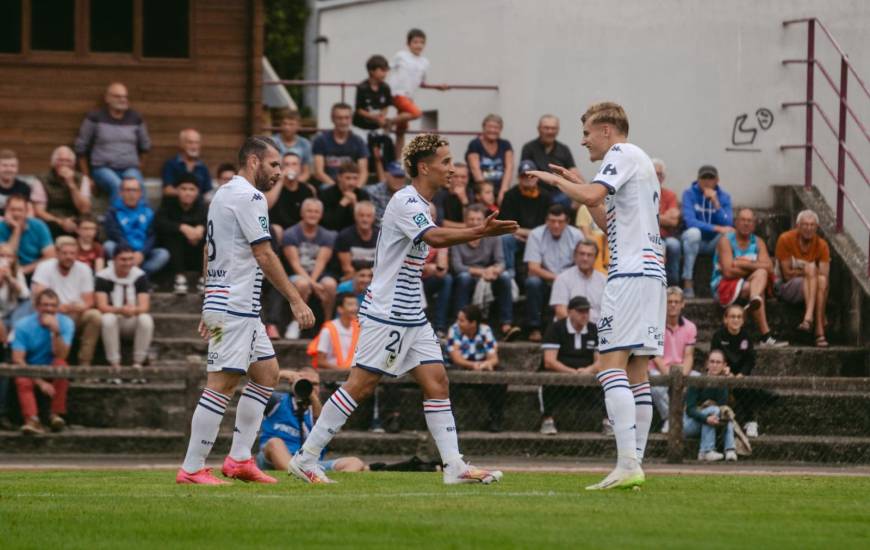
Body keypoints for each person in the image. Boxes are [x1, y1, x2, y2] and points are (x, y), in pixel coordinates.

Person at [288, 133, 517, 485]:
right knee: (360, 386)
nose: (452, 168)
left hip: (412, 312)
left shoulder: (424, 205)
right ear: (424, 167)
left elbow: (433, 235)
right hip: (388, 311)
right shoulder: (405, 201)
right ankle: (305, 458)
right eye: (445, 161)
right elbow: (434, 238)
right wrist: (479, 231)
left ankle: (454, 466)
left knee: (437, 383)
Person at [528, 102, 666, 489]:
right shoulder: (638, 163)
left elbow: (592, 191)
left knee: (609, 367)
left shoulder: (621, 152)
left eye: (588, 131)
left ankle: (626, 462)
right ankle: (635, 463)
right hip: (651, 274)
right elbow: (607, 218)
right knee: (637, 372)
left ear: (607, 130)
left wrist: (558, 182)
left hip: (630, 275)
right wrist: (580, 185)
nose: (583, 139)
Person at [177, 136, 315, 485]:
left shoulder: (222, 193)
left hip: (232, 304)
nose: (278, 173)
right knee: (221, 384)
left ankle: (239, 460)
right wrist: (296, 299)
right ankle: (192, 468)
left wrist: (210, 301)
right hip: (235, 304)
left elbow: (210, 251)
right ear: (253, 161)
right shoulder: (250, 197)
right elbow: (264, 253)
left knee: (267, 373)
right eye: (273, 165)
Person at [257, 369, 366, 474]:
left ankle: (329, 487)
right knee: (274, 442)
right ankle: (296, 474)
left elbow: (323, 425)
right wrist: (281, 374)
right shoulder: (277, 400)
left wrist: (312, 396)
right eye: (305, 383)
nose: (310, 387)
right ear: (293, 384)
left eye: (315, 384)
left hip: (307, 463)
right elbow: (249, 394)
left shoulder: (318, 409)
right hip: (272, 458)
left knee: (354, 462)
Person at [711, 208, 786, 347]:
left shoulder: (758, 242)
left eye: (749, 221)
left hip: (751, 283)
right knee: (758, 284)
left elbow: (769, 268)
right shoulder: (726, 241)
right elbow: (727, 272)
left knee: (762, 275)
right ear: (736, 222)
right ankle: (765, 335)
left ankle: (754, 300)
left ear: (754, 224)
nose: (746, 224)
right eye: (743, 220)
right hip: (724, 285)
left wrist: (741, 263)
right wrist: (755, 266)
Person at [11, 289, 75, 435]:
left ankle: (55, 415)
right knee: (22, 378)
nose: (49, 309)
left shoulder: (66, 323)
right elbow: (18, 359)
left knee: (62, 366)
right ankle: (32, 420)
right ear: (37, 307)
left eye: (53, 305)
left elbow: (62, 355)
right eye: (45, 305)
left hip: (51, 366)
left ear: (58, 307)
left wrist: (55, 332)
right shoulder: (23, 325)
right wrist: (40, 382)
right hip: (29, 367)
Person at [31, 236, 101, 367]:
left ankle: (84, 363)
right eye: (65, 253)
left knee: (95, 316)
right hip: (51, 312)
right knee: (50, 317)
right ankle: (47, 361)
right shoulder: (44, 267)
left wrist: (78, 307)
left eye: (72, 253)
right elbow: (39, 296)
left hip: (75, 313)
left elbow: (89, 301)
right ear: (57, 253)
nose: (69, 257)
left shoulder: (84, 269)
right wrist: (59, 308)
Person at [74, 82, 150, 201]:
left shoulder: (136, 118)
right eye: (118, 96)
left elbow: (145, 147)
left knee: (138, 186)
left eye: (125, 97)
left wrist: (139, 169)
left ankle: (143, 218)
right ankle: (117, 218)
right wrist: (87, 177)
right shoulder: (94, 118)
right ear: (107, 98)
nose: (122, 100)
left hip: (130, 168)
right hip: (102, 169)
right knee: (118, 186)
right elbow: (80, 148)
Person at [451, 204, 518, 340]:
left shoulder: (493, 236)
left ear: (484, 221)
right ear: (465, 221)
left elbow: (501, 262)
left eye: (478, 219)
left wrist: (494, 271)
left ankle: (506, 324)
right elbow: (457, 266)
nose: (475, 222)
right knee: (464, 278)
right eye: (471, 219)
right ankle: (460, 322)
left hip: (488, 275)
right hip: (469, 274)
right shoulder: (457, 237)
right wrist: (482, 272)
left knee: (505, 277)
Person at [539, 296, 600, 435]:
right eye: (580, 311)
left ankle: (608, 421)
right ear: (570, 312)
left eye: (586, 311)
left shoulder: (594, 329)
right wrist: (571, 372)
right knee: (547, 381)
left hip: (587, 374)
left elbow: (600, 361)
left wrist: (588, 371)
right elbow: (549, 361)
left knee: (607, 379)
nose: (584, 315)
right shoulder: (555, 328)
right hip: (560, 374)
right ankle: (547, 419)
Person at [523, 204, 584, 342]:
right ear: (546, 220)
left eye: (560, 222)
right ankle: (534, 328)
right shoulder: (536, 234)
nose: (556, 225)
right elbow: (533, 267)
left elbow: (580, 264)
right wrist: (558, 278)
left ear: (567, 222)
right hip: (545, 278)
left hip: (570, 279)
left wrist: (564, 280)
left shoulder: (576, 235)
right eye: (552, 221)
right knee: (532, 282)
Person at [775, 209, 831, 347]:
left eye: (812, 225)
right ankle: (815, 322)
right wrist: (808, 271)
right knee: (812, 270)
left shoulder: (822, 245)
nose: (808, 228)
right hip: (785, 287)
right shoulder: (785, 239)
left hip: (813, 287)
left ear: (817, 228)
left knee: (822, 281)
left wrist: (810, 273)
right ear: (798, 226)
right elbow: (787, 274)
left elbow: (824, 275)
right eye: (805, 224)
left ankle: (816, 329)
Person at [447, 305, 506, 432]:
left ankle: (495, 419)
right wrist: (472, 365)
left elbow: (494, 358)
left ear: (473, 323)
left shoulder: (485, 330)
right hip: (461, 366)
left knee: (500, 376)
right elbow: (456, 357)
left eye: (462, 320)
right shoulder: (454, 330)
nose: (458, 322)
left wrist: (485, 364)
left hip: (481, 366)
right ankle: (451, 421)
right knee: (448, 377)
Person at [387, 28, 446, 154]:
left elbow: (421, 83)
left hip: (409, 96)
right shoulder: (401, 56)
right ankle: (389, 122)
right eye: (415, 42)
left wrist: (437, 87)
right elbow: (387, 68)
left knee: (401, 131)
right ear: (409, 44)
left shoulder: (425, 62)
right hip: (397, 93)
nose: (418, 45)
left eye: (421, 42)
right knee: (417, 113)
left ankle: (398, 159)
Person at [95, 245, 153, 372]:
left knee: (145, 319)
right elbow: (102, 306)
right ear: (114, 259)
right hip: (113, 320)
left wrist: (133, 310)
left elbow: (144, 306)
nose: (127, 263)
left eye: (130, 259)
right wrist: (120, 310)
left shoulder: (140, 276)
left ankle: (138, 363)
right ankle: (114, 364)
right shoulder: (103, 276)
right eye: (123, 259)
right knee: (108, 318)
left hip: (131, 319)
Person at [647, 287, 697, 433]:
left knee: (699, 381)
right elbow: (655, 357)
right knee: (655, 386)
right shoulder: (654, 326)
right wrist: (671, 376)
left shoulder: (690, 327)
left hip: (681, 369)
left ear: (683, 304)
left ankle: (684, 416)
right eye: (669, 302)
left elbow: (689, 355)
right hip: (659, 370)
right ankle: (671, 418)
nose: (673, 305)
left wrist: (682, 375)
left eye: (676, 302)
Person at [680, 165, 733, 298]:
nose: (707, 181)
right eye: (704, 177)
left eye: (711, 178)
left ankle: (718, 283)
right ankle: (688, 281)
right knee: (694, 233)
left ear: (717, 180)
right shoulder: (689, 194)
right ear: (698, 179)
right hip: (693, 241)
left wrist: (716, 203)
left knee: (729, 235)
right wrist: (716, 228)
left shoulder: (724, 197)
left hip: (712, 243)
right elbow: (690, 222)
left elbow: (728, 223)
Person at [282, 198, 338, 324]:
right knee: (302, 284)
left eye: (316, 212)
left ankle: (328, 323)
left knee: (330, 284)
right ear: (302, 213)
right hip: (295, 275)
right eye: (309, 211)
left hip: (318, 274)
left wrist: (312, 282)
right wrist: (313, 284)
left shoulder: (328, 235)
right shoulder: (290, 234)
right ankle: (295, 323)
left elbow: (321, 262)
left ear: (321, 215)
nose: (313, 214)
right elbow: (295, 264)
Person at [711, 304, 760, 438]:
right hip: (723, 373)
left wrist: (740, 374)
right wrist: (725, 370)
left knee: (746, 387)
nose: (735, 320)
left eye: (739, 317)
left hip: (741, 374)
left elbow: (750, 360)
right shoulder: (718, 336)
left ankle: (751, 421)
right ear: (725, 319)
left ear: (743, 320)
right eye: (732, 316)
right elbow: (715, 355)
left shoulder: (746, 337)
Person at [103, 178, 170, 276]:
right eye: (128, 190)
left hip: (143, 254)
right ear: (121, 193)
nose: (131, 193)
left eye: (135, 190)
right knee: (108, 245)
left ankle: (139, 276)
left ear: (140, 193)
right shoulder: (113, 212)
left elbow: (152, 236)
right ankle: (131, 275)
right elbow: (115, 235)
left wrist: (142, 253)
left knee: (163, 254)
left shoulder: (148, 212)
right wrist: (129, 252)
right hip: (122, 252)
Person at [499, 160, 553, 277]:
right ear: (519, 178)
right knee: (505, 238)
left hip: (540, 238)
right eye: (524, 176)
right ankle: (510, 274)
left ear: (538, 178)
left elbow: (551, 223)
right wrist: (527, 234)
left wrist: (533, 236)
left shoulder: (546, 196)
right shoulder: (510, 195)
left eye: (531, 175)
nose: (528, 178)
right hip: (517, 237)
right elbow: (505, 226)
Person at [155, 173, 207, 294]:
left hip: (195, 254)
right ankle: (180, 278)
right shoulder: (168, 204)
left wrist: (201, 229)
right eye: (183, 189)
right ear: (177, 190)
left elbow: (211, 222)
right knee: (172, 235)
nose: (187, 193)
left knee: (208, 238)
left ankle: (203, 278)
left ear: (197, 192)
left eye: (191, 189)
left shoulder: (202, 206)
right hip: (174, 256)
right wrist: (182, 228)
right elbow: (159, 223)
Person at [683, 350, 737, 462]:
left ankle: (730, 450)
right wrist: (706, 418)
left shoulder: (723, 382)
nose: (714, 365)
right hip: (690, 423)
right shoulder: (697, 381)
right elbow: (690, 410)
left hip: (713, 420)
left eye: (718, 362)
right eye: (712, 362)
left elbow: (723, 405)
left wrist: (723, 380)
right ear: (707, 364)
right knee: (714, 409)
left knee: (726, 416)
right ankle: (707, 451)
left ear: (724, 365)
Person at [520, 115, 580, 207]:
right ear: (539, 129)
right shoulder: (529, 148)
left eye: (553, 128)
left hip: (560, 193)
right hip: (536, 193)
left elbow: (573, 171)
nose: (550, 131)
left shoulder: (564, 149)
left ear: (558, 130)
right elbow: (525, 175)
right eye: (546, 128)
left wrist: (584, 189)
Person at [354, 54, 397, 177]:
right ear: (372, 71)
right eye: (382, 70)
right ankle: (364, 173)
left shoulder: (385, 87)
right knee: (363, 150)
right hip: (361, 127)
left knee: (387, 144)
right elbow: (359, 110)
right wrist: (375, 117)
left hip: (377, 127)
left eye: (386, 70)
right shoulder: (362, 88)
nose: (385, 74)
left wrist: (382, 117)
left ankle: (389, 174)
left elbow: (385, 106)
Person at [35, 146, 93, 237]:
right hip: (53, 219)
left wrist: (72, 184)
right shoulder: (42, 180)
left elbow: (85, 209)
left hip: (76, 218)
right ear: (53, 163)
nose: (64, 164)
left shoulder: (82, 179)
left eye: (68, 161)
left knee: (90, 227)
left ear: (73, 164)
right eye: (60, 160)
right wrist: (61, 222)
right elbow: (39, 211)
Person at [550, 240, 607, 324]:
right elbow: (561, 312)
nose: (585, 258)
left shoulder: (604, 280)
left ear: (595, 258)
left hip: (598, 331)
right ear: (575, 256)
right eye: (582, 254)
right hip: (570, 331)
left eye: (589, 255)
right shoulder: (562, 279)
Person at [312, 103, 368, 187]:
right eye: (339, 118)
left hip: (352, 185)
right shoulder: (321, 140)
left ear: (351, 119)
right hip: (329, 184)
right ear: (332, 119)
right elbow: (318, 172)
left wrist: (356, 189)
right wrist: (338, 190)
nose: (343, 122)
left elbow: (363, 172)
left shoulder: (358, 141)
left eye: (346, 118)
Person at [265, 152, 316, 244]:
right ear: (281, 168)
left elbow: (314, 212)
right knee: (277, 230)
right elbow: (266, 205)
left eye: (294, 164)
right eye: (287, 164)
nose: (290, 167)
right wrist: (280, 181)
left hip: (299, 229)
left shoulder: (307, 189)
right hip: (279, 229)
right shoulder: (273, 186)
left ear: (300, 168)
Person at [0, 195, 55, 275]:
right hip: (7, 271)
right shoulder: (1, 227)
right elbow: (8, 256)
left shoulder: (38, 225)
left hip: (36, 271)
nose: (16, 213)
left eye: (20, 210)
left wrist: (25, 270)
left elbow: (50, 256)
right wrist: (17, 230)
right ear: (6, 211)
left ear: (26, 212)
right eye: (12, 210)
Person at [465, 114, 513, 204]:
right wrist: (485, 193)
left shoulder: (505, 145)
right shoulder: (475, 144)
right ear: (483, 127)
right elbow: (475, 169)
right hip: (480, 190)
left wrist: (504, 190)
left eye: (496, 128)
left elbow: (509, 168)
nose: (493, 130)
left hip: (500, 188)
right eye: (490, 127)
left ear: (501, 129)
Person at [307, 292, 360, 370]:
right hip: (333, 377)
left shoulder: (359, 328)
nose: (355, 308)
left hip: (352, 375)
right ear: (340, 309)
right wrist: (343, 370)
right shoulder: (328, 330)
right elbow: (320, 361)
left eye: (356, 304)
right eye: (350, 304)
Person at [653, 159, 681, 286]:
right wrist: (665, 217)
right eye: (653, 172)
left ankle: (673, 283)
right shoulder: (639, 193)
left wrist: (653, 216)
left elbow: (674, 222)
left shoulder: (670, 195)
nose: (656, 176)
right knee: (660, 246)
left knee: (674, 245)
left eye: (659, 174)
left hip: (666, 236)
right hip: (647, 236)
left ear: (663, 177)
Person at [319, 162, 371, 232]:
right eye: (348, 178)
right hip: (333, 233)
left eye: (355, 178)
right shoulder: (326, 194)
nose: (351, 183)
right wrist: (342, 204)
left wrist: (355, 205)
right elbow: (328, 224)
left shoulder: (362, 195)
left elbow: (366, 223)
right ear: (339, 177)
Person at [161, 129, 212, 198]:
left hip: (198, 208)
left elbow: (207, 193)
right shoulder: (171, 165)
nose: (194, 146)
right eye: (190, 142)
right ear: (182, 144)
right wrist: (188, 194)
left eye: (197, 143)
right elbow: (167, 190)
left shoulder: (203, 168)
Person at [335, 201, 378, 281]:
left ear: (373, 218)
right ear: (355, 217)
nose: (365, 219)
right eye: (361, 215)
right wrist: (364, 278)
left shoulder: (380, 236)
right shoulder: (345, 236)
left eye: (368, 216)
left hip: (375, 278)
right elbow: (347, 268)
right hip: (351, 278)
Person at [271, 110, 313, 183]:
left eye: (291, 124)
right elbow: (269, 170)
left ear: (298, 126)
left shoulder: (305, 143)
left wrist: (295, 184)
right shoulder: (272, 142)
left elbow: (306, 172)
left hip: (297, 183)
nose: (287, 127)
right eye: (285, 123)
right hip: (276, 182)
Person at [433, 162, 472, 228]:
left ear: (468, 178)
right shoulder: (439, 194)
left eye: (463, 177)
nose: (459, 180)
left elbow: (472, 219)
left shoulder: (470, 192)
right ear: (449, 177)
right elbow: (439, 222)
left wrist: (464, 201)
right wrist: (467, 226)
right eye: (456, 176)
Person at [0, 149, 35, 215]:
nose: (9, 169)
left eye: (12, 166)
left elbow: (29, 213)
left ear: (17, 168)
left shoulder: (24, 188)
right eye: (4, 165)